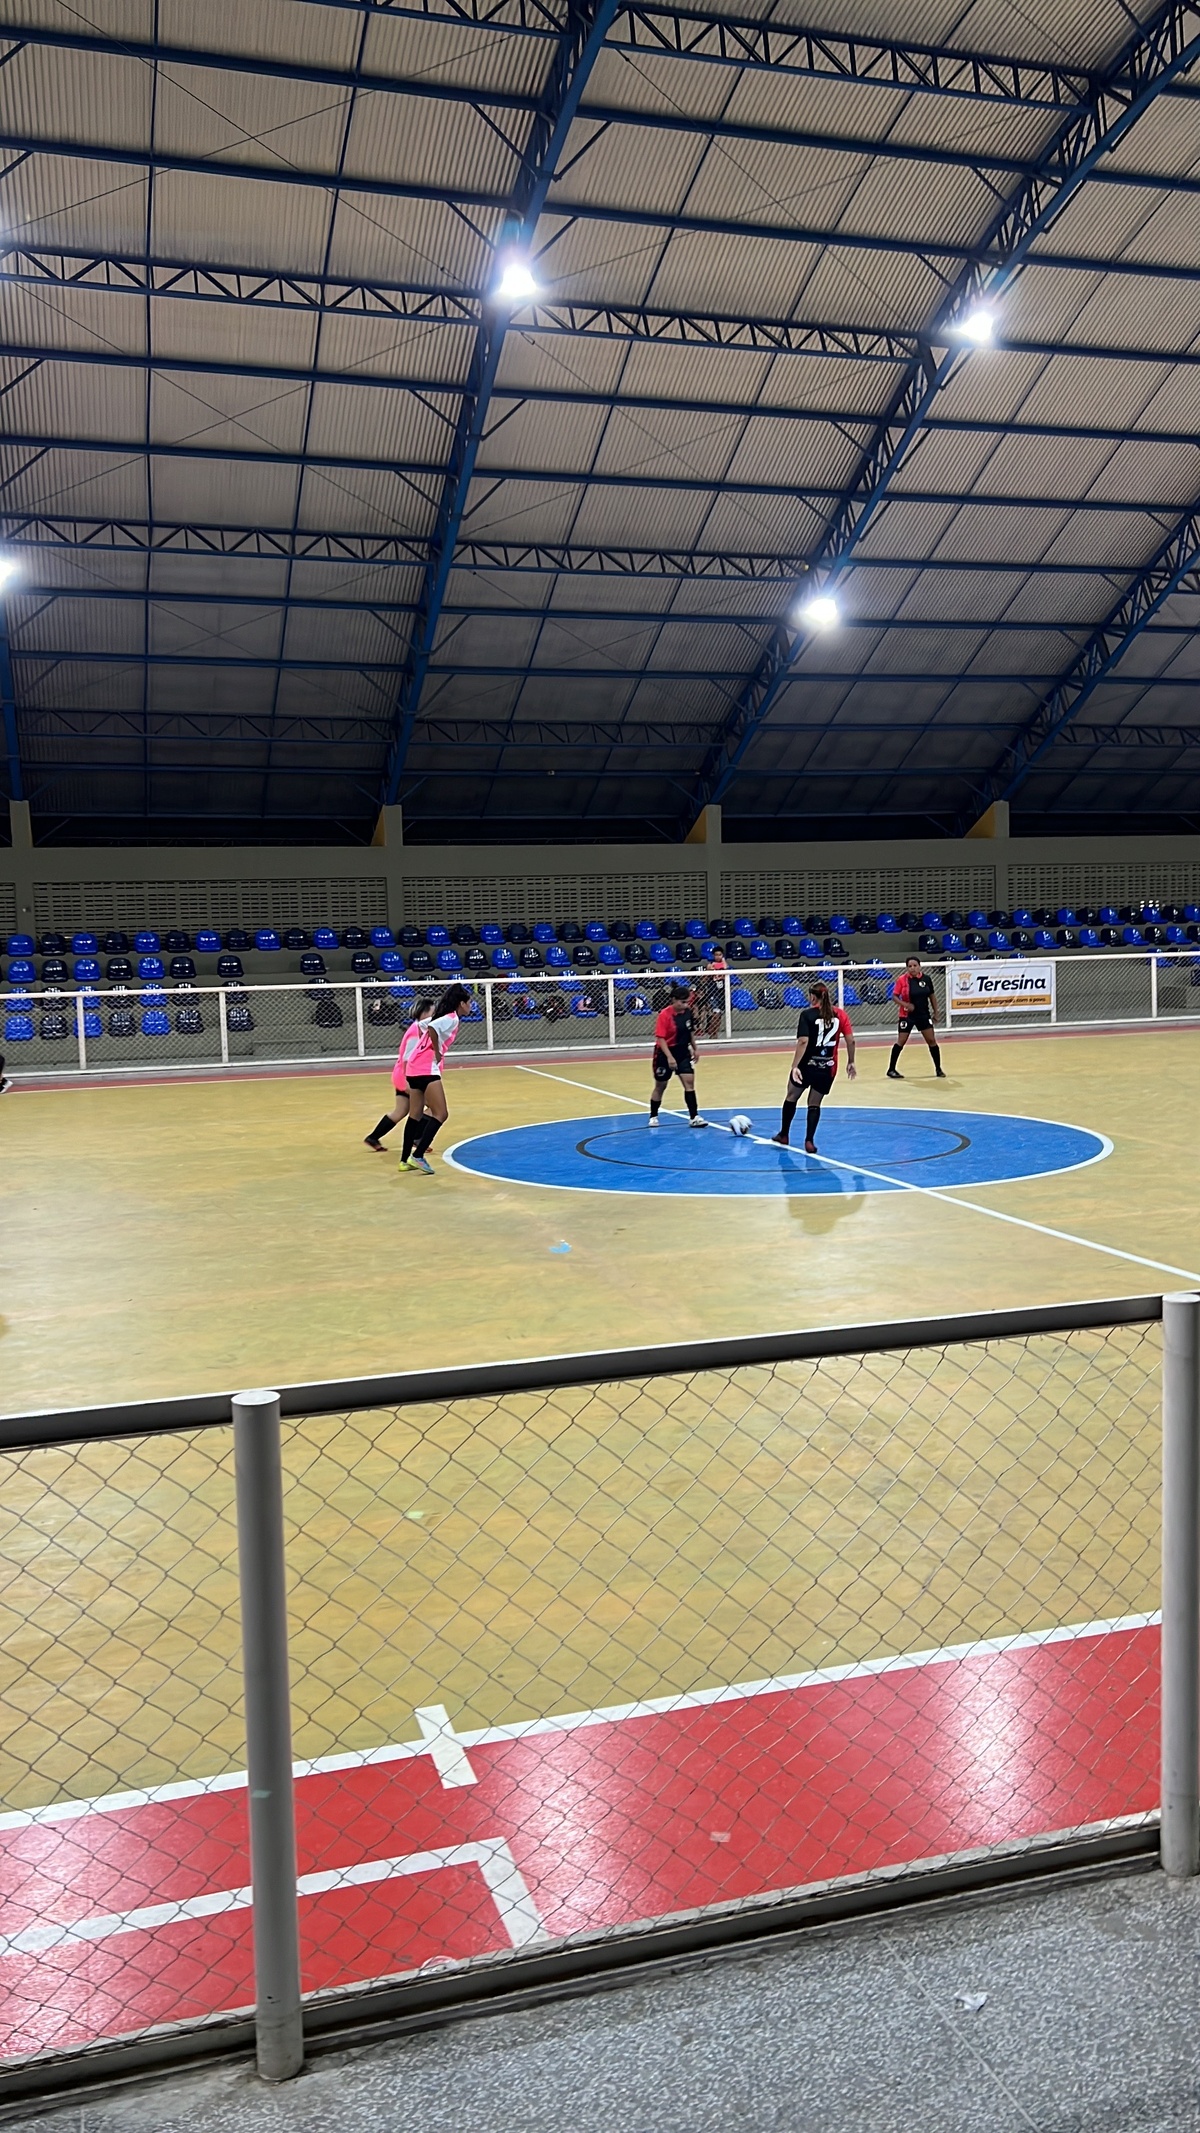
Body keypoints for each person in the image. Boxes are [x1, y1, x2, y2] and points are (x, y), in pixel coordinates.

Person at [771, 978, 855, 1152]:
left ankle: (784, 1134)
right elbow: (851, 1041)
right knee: (814, 1104)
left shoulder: (807, 1015)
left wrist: (795, 1066)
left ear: (812, 997)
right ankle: (809, 1140)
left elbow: (803, 1041)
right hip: (827, 1067)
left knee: (791, 1097)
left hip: (806, 1066)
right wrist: (851, 1061)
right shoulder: (841, 1015)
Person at [399, 982, 472, 1173]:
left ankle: (404, 1160)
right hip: (426, 1068)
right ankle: (418, 1155)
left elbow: (423, 1025)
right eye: (469, 1003)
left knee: (414, 1115)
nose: (470, 1007)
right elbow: (431, 1027)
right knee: (441, 1113)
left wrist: (428, 1044)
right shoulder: (451, 1018)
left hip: (414, 1067)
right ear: (461, 1003)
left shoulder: (441, 1016)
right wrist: (437, 1051)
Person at [363, 993, 434, 1151]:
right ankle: (417, 1138)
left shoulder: (418, 1029)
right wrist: (409, 1082)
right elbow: (408, 1059)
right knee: (435, 1108)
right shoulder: (416, 1032)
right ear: (424, 1013)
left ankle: (373, 1137)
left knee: (401, 1110)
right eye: (432, 1012)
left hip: (401, 1075)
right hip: (408, 1076)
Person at [649, 979, 706, 1128]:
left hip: (682, 1051)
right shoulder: (664, 1015)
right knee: (660, 1086)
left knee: (689, 1083)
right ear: (674, 1000)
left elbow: (690, 1032)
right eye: (682, 1002)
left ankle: (694, 1116)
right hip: (664, 1052)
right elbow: (660, 1038)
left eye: (687, 1002)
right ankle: (653, 1115)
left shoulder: (687, 1012)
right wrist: (669, 1057)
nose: (685, 1005)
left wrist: (695, 1048)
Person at [888, 956, 946, 1079]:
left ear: (919, 966)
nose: (912, 968)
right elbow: (894, 997)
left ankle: (938, 1069)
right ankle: (891, 1069)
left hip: (923, 1014)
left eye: (915, 966)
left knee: (931, 1041)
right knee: (901, 1041)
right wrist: (906, 1005)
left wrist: (936, 1012)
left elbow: (932, 997)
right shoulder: (902, 980)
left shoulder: (926, 979)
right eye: (910, 966)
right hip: (907, 1016)